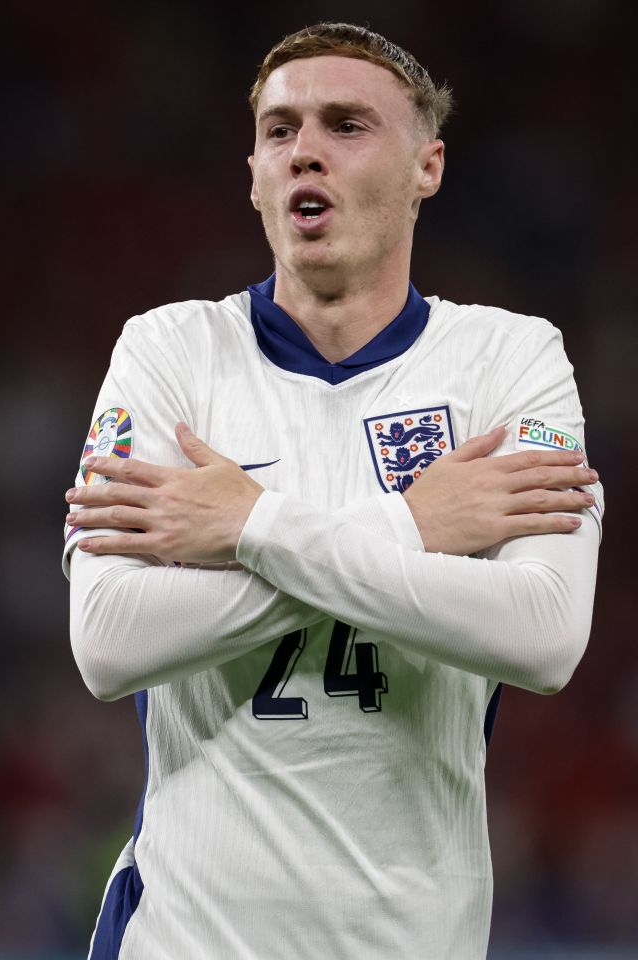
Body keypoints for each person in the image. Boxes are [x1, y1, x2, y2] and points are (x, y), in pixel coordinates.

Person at [63, 22, 603, 960]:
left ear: (428, 167)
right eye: (280, 130)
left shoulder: (511, 359)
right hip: (185, 938)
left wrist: (247, 525)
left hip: (415, 940)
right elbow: (109, 643)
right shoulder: (169, 352)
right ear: (254, 174)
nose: (305, 148)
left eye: (347, 124)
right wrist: (409, 523)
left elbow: (544, 633)